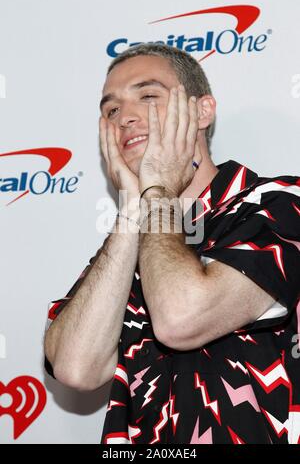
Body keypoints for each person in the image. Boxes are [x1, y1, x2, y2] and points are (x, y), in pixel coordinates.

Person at [44, 43, 300, 444]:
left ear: (202, 111)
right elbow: (76, 369)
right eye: (110, 110)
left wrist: (157, 188)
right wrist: (134, 209)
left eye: (147, 97)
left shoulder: (279, 203)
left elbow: (181, 319)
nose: (124, 118)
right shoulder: (128, 240)